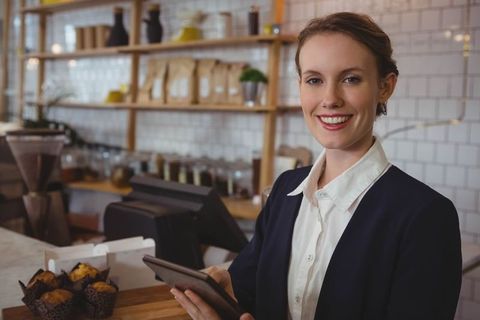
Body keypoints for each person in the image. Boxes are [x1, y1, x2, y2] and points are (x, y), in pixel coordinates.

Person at [171, 12, 462, 320]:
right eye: (314, 80)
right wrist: (224, 287)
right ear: (300, 87)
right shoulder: (285, 190)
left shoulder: (425, 216)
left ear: (385, 87)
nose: (330, 98)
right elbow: (252, 286)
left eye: (351, 79)